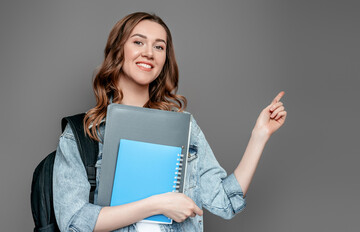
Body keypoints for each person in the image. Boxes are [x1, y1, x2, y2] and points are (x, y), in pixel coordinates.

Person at [53, 12, 287, 232]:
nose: (149, 53)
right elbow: (73, 221)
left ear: (165, 59)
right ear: (118, 50)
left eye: (159, 46)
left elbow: (224, 203)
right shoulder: (83, 132)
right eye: (138, 42)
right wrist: (157, 205)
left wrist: (260, 135)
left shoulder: (185, 127)